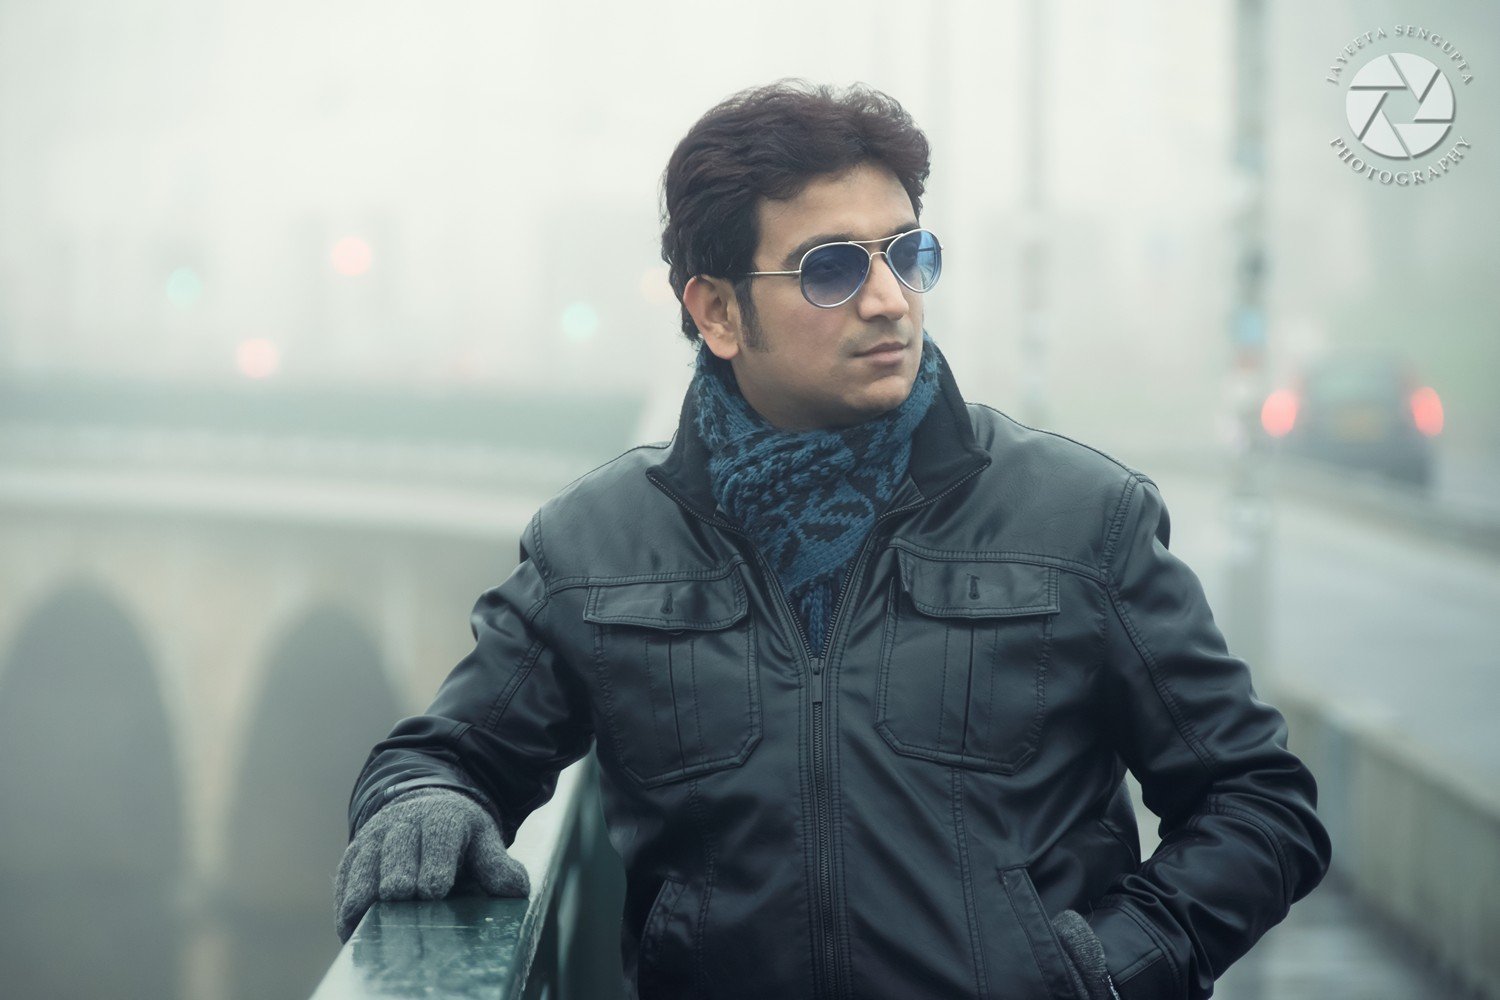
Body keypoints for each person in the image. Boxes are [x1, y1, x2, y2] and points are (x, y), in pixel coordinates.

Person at [334, 79, 1332, 1000]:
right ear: (718, 311)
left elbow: (1260, 801)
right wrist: (425, 805)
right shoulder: (599, 547)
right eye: (832, 269)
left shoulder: (1080, 518)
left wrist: (1113, 965)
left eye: (908, 252)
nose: (890, 297)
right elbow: (444, 753)